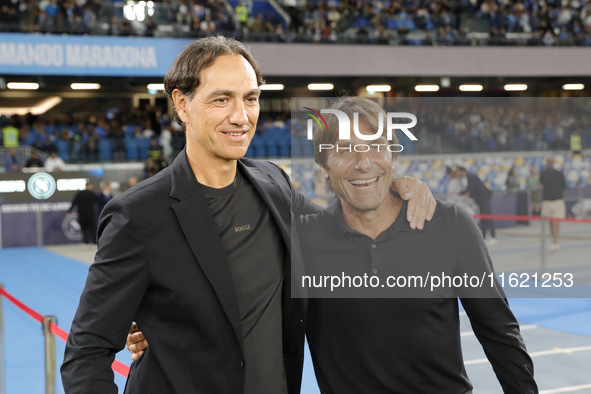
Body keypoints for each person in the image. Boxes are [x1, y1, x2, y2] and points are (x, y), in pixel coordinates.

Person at [61, 36, 435, 394]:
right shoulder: (138, 215)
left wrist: (398, 193)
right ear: (182, 104)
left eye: (251, 98)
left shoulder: (273, 182)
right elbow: (86, 353)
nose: (241, 116)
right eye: (221, 99)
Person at [128, 97, 537, 393]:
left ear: (393, 156)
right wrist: (158, 321)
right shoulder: (302, 238)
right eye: (344, 151)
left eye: (376, 147)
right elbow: (233, 299)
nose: (363, 162)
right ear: (323, 168)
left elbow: (499, 333)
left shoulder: (447, 224)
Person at [457, 165, 497, 246]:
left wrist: (466, 195)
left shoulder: (471, 176)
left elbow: (470, 188)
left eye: (458, 171)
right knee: (483, 217)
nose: (457, 173)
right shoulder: (468, 177)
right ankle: (484, 237)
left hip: (484, 198)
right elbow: (469, 189)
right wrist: (460, 193)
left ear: (462, 171)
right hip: (480, 199)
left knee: (487, 216)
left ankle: (493, 237)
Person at [539, 157, 566, 251]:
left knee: (555, 222)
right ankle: (553, 240)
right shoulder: (543, 174)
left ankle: (555, 241)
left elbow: (563, 185)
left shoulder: (559, 174)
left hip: (557, 201)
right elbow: (540, 185)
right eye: (548, 163)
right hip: (547, 201)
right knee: (551, 222)